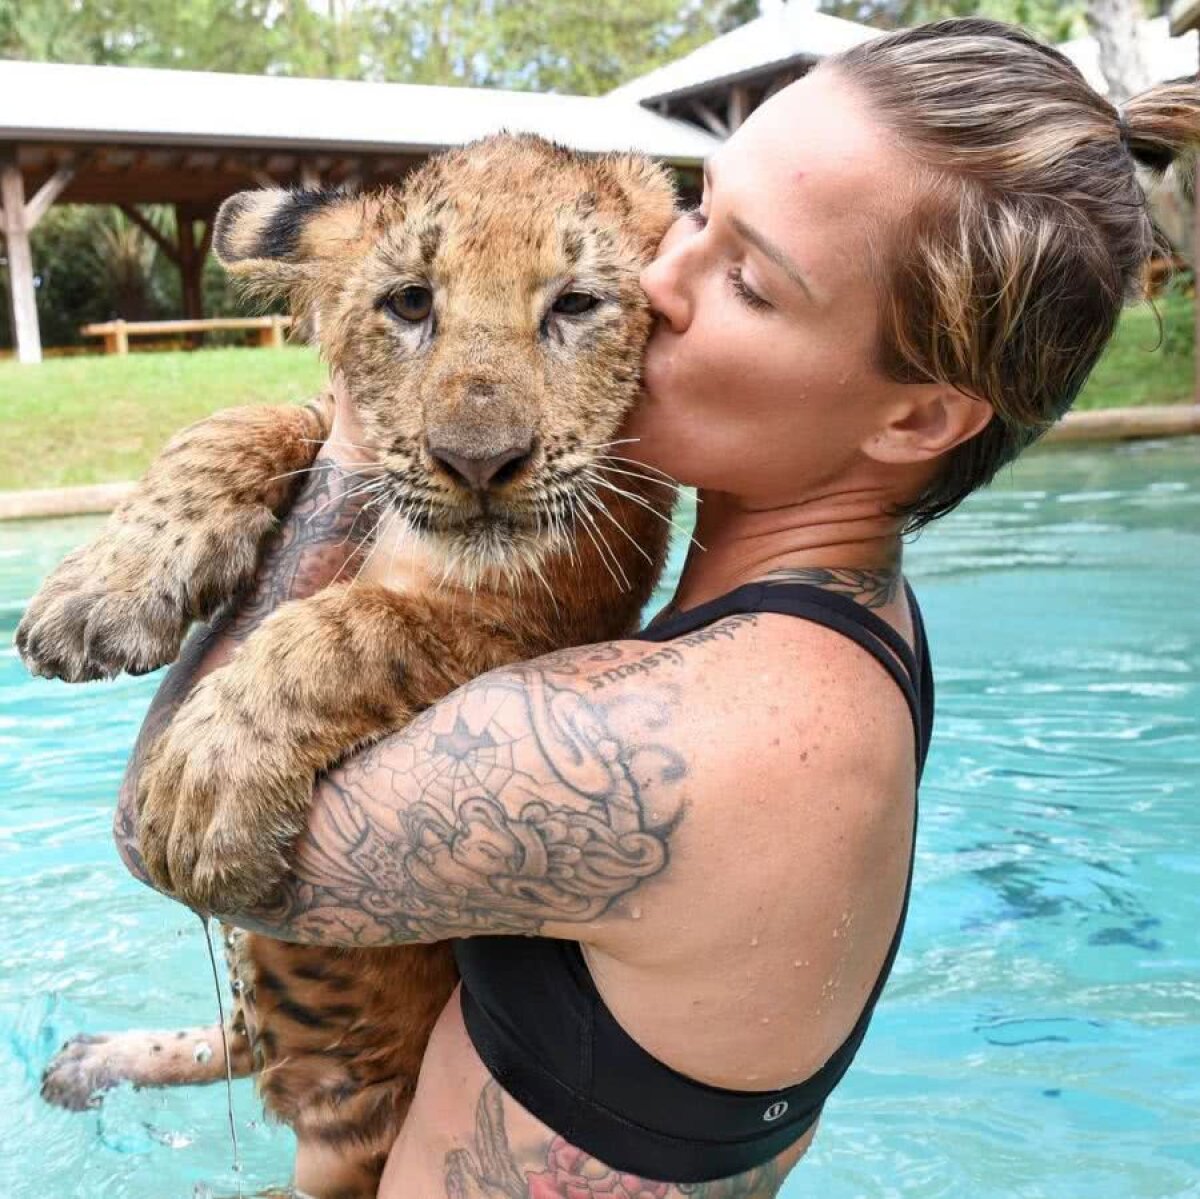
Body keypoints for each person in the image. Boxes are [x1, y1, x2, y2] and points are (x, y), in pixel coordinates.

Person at [115, 18, 1198, 1197]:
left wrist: (372, 387)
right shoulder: (833, 625)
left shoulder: (679, 740)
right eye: (694, 212)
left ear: (916, 418)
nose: (654, 278)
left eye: (745, 276)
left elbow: (171, 825)